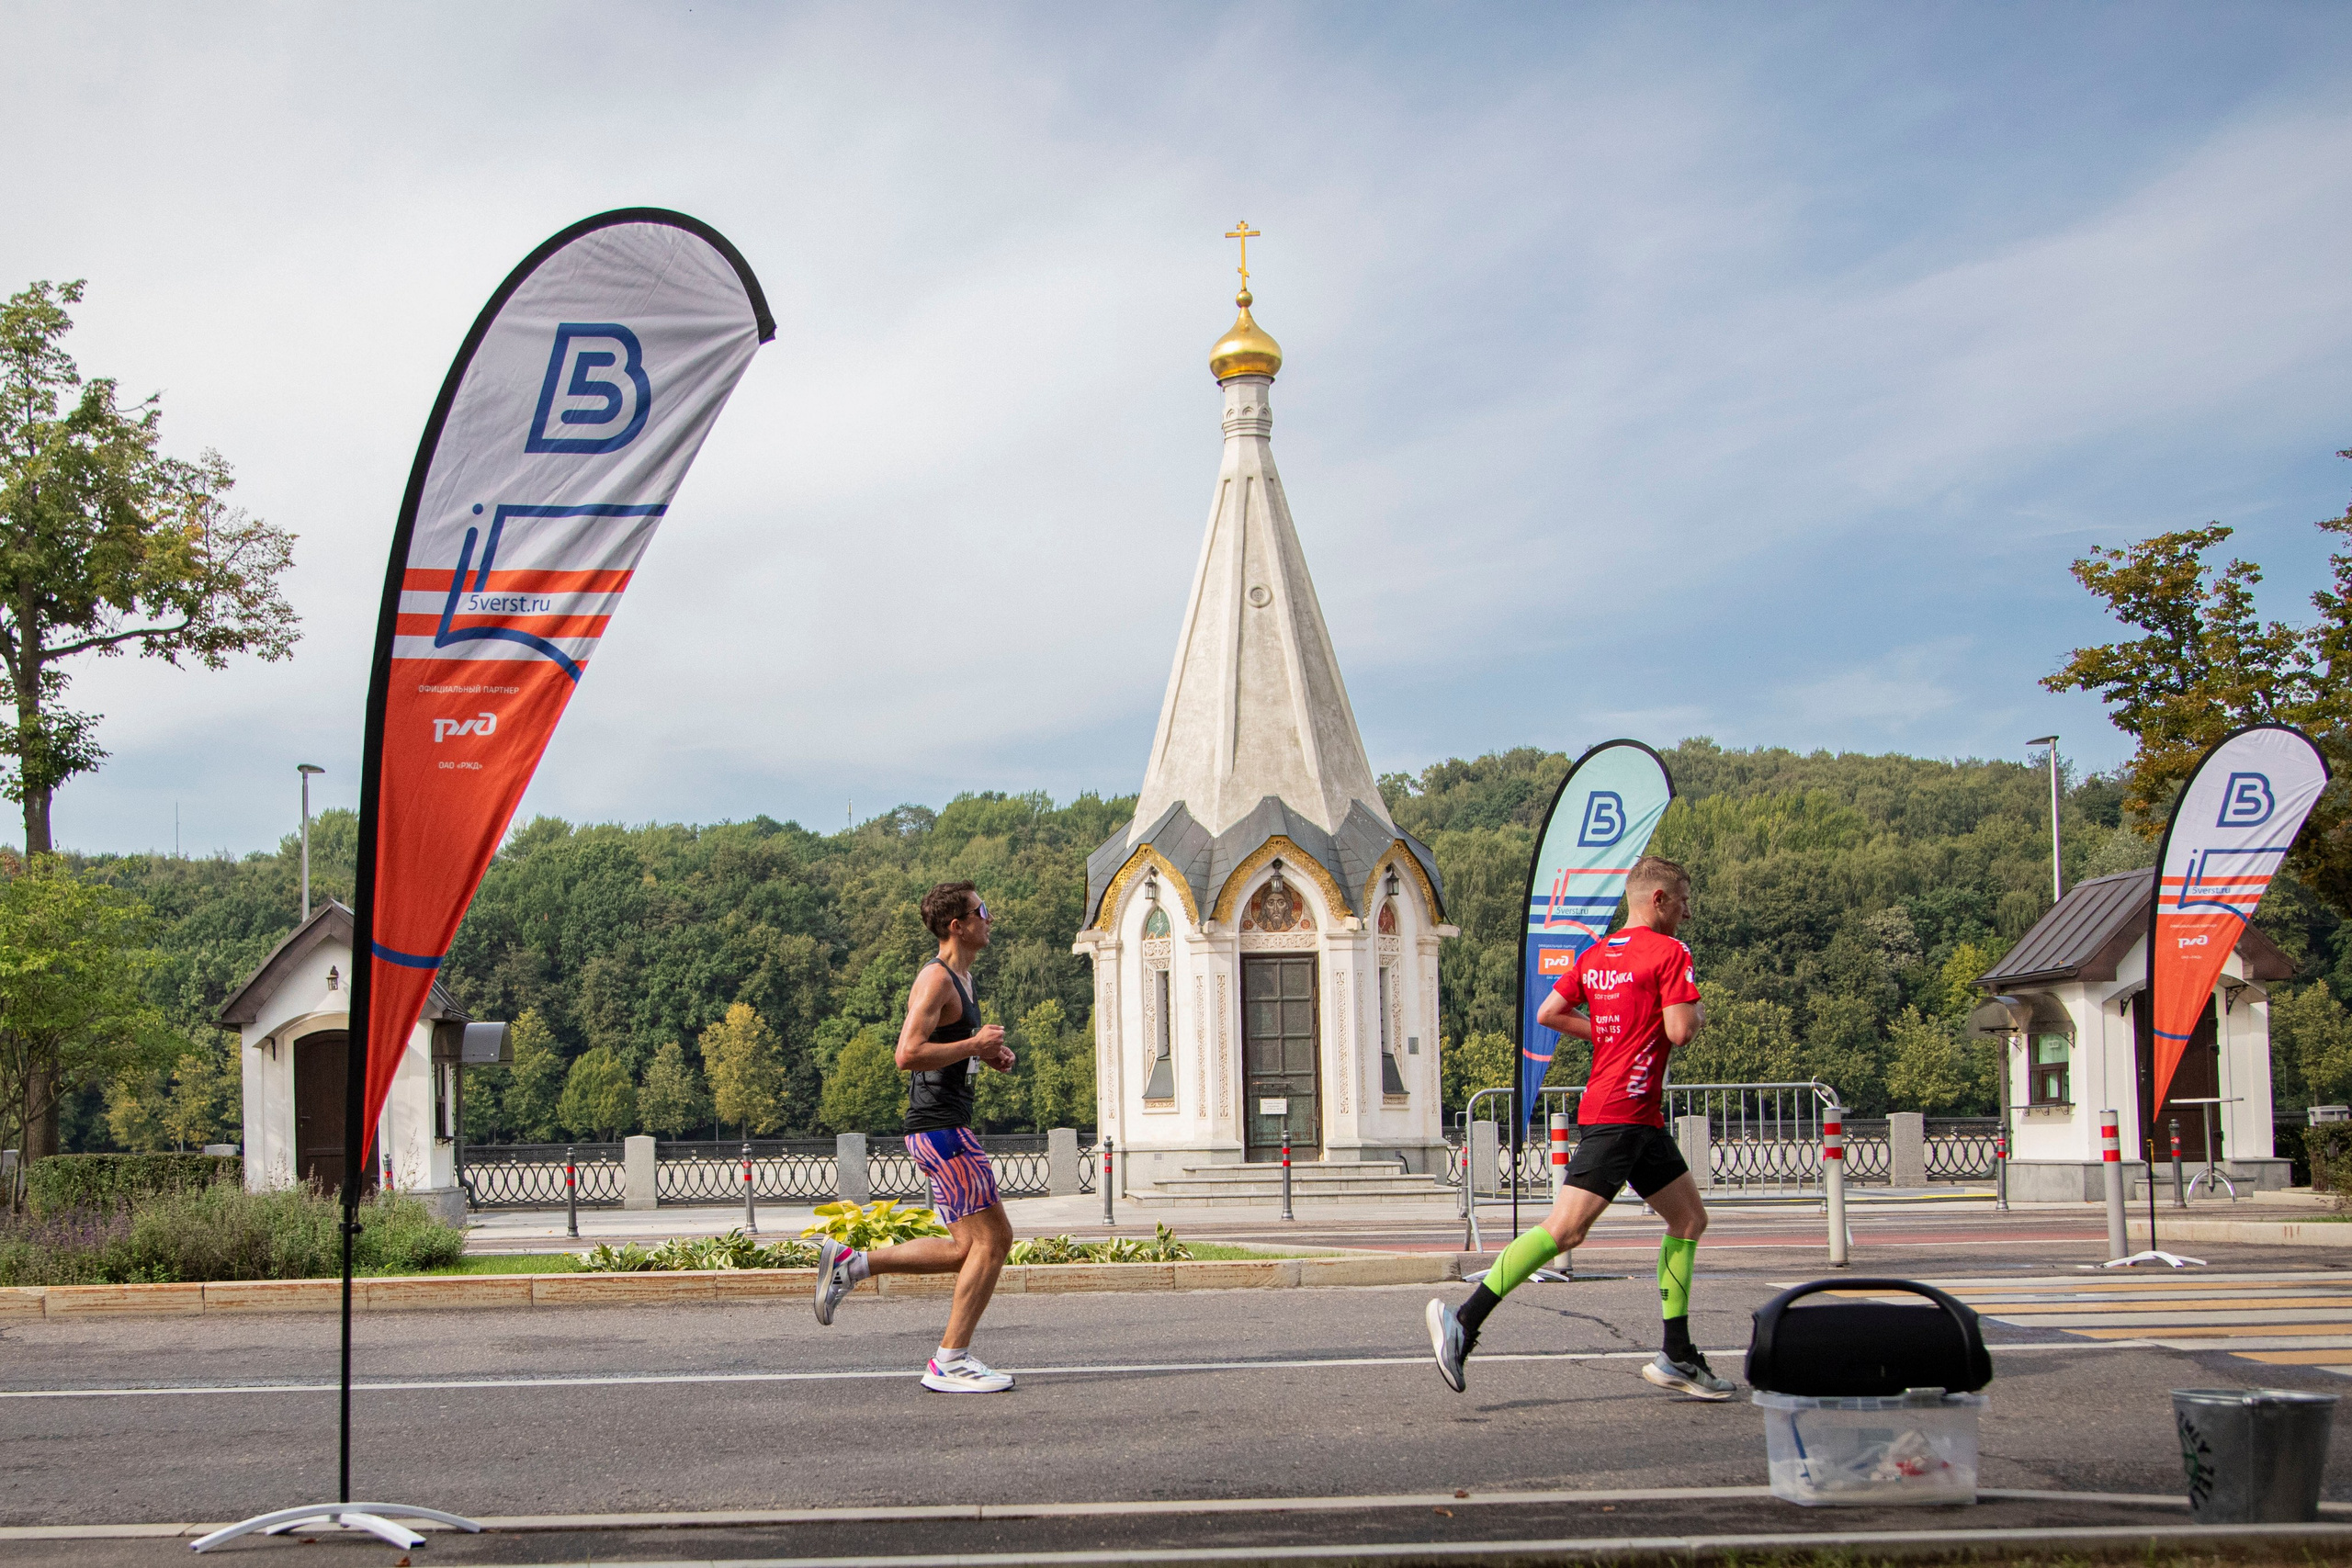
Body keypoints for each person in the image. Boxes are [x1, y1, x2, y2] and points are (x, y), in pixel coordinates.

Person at [1425, 854, 1735, 1400]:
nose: (1688, 914)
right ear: (1657, 899)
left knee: (1688, 1219)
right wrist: (1695, 1013)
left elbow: (1548, 1012)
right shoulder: (1670, 952)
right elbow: (1681, 1030)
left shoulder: (1597, 954)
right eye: (1683, 900)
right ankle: (1464, 1321)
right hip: (1622, 1115)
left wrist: (1610, 1034)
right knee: (1565, 1230)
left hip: (1633, 1114)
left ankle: (1677, 1354)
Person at [812, 880, 1020, 1393]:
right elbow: (907, 1053)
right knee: (995, 1242)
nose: (990, 918)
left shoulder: (963, 982)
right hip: (941, 1129)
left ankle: (852, 1263)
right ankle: (950, 1361)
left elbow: (946, 1048)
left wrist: (984, 1054)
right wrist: (973, 1042)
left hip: (943, 1127)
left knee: (966, 1248)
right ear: (958, 925)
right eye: (982, 910)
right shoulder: (937, 979)